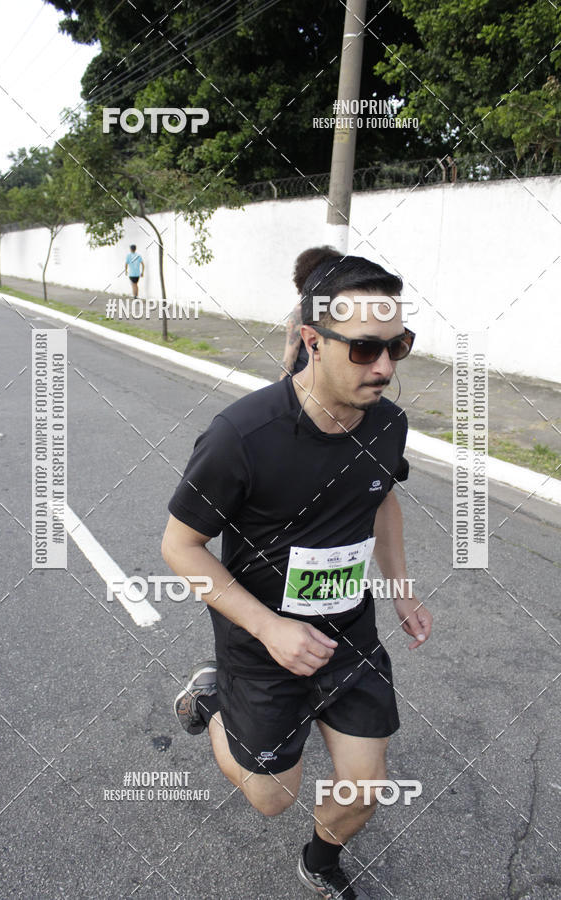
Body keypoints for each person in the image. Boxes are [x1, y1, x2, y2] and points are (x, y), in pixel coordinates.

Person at [162, 253, 433, 900]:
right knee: (271, 797)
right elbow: (180, 546)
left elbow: (382, 499)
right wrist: (269, 627)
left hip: (347, 631)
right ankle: (217, 702)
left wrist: (400, 588)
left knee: (365, 784)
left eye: (399, 345)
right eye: (367, 349)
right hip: (259, 641)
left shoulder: (389, 424)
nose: (387, 368)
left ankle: (320, 861)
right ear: (311, 341)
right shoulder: (242, 436)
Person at [280, 245, 341, 379]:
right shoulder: (300, 311)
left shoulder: (341, 309)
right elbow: (289, 360)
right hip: (305, 384)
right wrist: (282, 394)